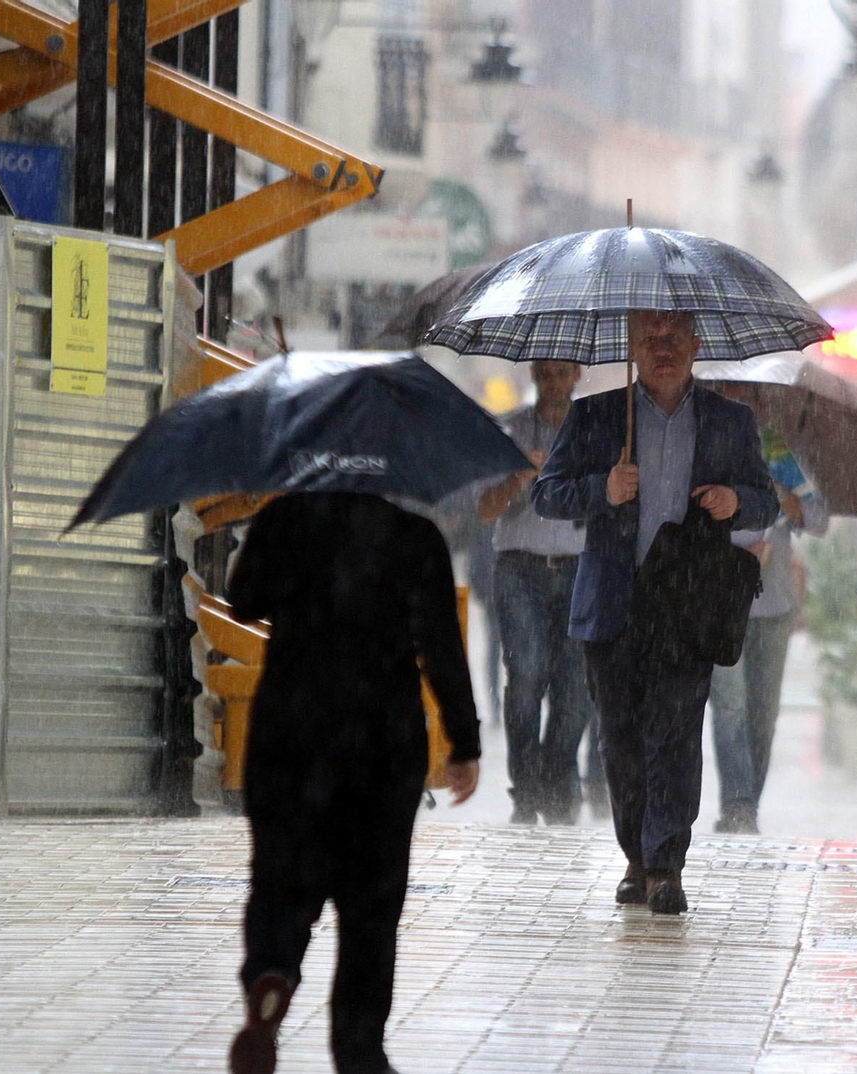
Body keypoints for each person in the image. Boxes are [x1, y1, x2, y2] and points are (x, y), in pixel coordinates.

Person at [223, 492, 480, 1074]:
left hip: (291, 731)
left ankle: (272, 969)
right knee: (371, 906)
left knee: (281, 881)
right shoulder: (415, 537)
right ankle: (359, 1046)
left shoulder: (283, 519)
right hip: (381, 739)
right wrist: (464, 741)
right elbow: (441, 644)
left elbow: (242, 601)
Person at [532, 310, 778, 915]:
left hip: (688, 607)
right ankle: (635, 859)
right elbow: (546, 494)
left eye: (674, 337)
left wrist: (735, 501)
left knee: (675, 734)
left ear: (697, 343)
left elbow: (766, 503)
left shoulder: (729, 420)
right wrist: (602, 489)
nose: (662, 348)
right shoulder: (596, 416)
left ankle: (666, 864)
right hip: (611, 606)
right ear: (632, 346)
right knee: (620, 739)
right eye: (649, 337)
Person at [476, 360, 596, 825]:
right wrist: (520, 476)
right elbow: (485, 510)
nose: (554, 382)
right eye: (546, 373)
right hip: (520, 569)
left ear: (577, 375)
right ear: (533, 375)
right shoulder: (509, 431)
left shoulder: (597, 431)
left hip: (580, 569)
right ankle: (527, 787)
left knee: (576, 689)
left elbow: (615, 499)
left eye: (562, 373)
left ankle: (557, 771)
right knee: (525, 677)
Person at [705, 385, 829, 834]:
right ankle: (736, 806)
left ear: (760, 405)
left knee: (763, 713)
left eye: (748, 400)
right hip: (720, 602)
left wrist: (784, 497)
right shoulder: (704, 451)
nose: (740, 407)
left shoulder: (782, 452)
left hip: (774, 604)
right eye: (730, 398)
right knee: (729, 708)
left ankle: (748, 803)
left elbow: (818, 519)